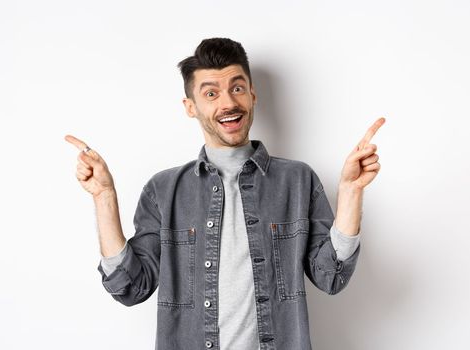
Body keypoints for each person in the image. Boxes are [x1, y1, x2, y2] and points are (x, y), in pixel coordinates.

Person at [65, 37, 384, 350]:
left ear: (252, 95)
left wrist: (351, 192)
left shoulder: (297, 181)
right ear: (190, 107)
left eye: (237, 88)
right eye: (211, 93)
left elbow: (331, 277)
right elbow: (131, 288)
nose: (228, 103)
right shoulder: (163, 190)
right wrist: (104, 197)